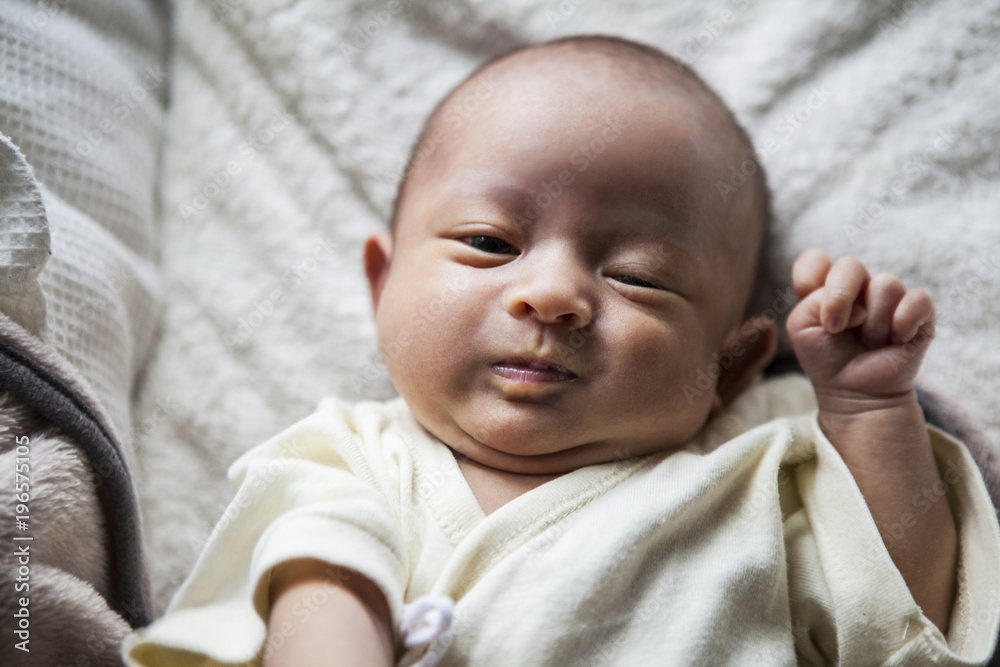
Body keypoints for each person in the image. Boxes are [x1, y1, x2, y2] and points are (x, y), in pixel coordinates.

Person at [124, 35, 1000, 666]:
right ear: (382, 284)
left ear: (729, 367)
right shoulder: (351, 457)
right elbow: (317, 586)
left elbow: (906, 619)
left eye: (640, 277)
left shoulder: (761, 470)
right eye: (488, 242)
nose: (551, 294)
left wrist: (868, 410)